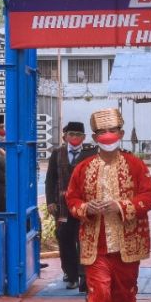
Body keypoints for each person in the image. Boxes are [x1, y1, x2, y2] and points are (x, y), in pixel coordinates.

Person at [66, 108, 151, 302]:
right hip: (96, 247)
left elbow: (150, 197)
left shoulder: (135, 165)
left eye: (113, 131)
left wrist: (121, 205)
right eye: (102, 133)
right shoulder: (83, 168)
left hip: (128, 244)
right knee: (100, 295)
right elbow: (72, 200)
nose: (108, 136)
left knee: (125, 295)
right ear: (94, 137)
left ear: (121, 133)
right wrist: (86, 208)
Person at [46, 121, 96, 290]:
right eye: (71, 135)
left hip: (84, 206)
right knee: (65, 239)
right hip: (63, 206)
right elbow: (50, 179)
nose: (74, 138)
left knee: (84, 240)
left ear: (84, 137)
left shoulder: (91, 153)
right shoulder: (57, 154)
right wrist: (50, 201)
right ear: (65, 136)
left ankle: (84, 277)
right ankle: (71, 274)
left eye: (78, 135)